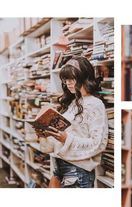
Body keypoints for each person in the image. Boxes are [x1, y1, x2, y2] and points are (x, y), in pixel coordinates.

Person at [38, 56, 108, 188]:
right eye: (65, 80)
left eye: (72, 78)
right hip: (60, 168)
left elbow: (98, 144)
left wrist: (67, 139)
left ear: (84, 77)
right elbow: (57, 142)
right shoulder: (72, 103)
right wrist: (44, 133)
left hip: (78, 172)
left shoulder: (95, 104)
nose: (68, 83)